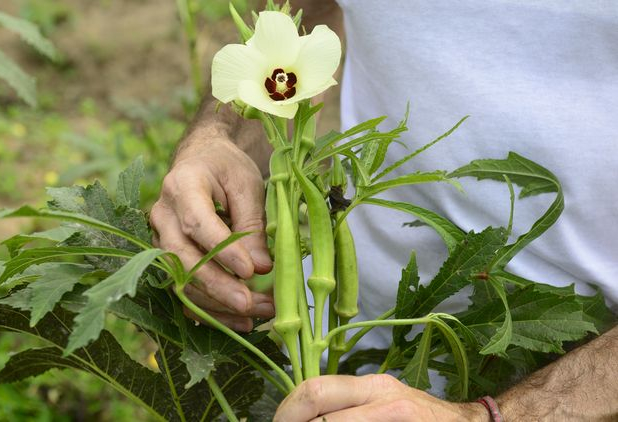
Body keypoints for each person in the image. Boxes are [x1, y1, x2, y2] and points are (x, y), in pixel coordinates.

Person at [150, 0, 618, 420]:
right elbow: (291, 17)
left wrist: (499, 416)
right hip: (338, 342)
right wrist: (218, 133)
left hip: (577, 369)